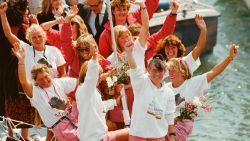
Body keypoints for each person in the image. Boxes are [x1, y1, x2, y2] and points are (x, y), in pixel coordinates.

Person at [0, 2, 67, 141]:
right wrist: (2, 14)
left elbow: (63, 74)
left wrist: (61, 90)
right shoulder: (26, 49)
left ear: (45, 36)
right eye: (34, 37)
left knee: (54, 117)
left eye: (39, 36)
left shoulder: (54, 51)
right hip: (34, 91)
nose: (37, 39)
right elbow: (8, 34)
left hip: (52, 89)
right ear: (29, 38)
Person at [165, 44, 238, 141]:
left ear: (183, 72)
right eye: (170, 70)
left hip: (180, 127)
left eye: (174, 70)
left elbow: (213, 72)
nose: (171, 73)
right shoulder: (165, 88)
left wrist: (229, 58)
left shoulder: (192, 83)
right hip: (167, 125)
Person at [11, 42, 79, 141]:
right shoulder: (36, 93)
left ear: (50, 74)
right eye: (40, 79)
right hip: (61, 130)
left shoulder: (59, 82)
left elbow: (80, 83)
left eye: (46, 77)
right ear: (36, 82)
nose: (45, 81)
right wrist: (21, 61)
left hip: (73, 121)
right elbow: (23, 81)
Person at [104, 0, 149, 130]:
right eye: (122, 37)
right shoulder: (111, 59)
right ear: (116, 40)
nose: (127, 39)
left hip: (140, 92)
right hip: (124, 97)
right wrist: (115, 87)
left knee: (142, 124)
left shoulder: (138, 48)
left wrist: (143, 6)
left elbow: (145, 27)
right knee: (122, 126)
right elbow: (109, 85)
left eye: (127, 36)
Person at [75, 35, 129, 141]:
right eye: (97, 75)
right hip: (95, 137)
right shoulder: (85, 88)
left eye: (100, 74)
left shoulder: (89, 91)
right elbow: (91, 76)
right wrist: (95, 58)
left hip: (96, 135)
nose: (100, 77)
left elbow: (100, 107)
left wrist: (114, 102)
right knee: (132, 132)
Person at [124, 36, 176, 140]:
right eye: (154, 70)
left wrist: (172, 136)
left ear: (164, 71)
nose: (157, 74)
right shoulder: (141, 82)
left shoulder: (169, 93)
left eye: (160, 70)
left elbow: (170, 116)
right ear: (148, 70)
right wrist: (129, 53)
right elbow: (134, 68)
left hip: (158, 137)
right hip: (138, 136)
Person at [0, 1, 35, 141]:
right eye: (26, 13)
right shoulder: (19, 29)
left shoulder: (24, 30)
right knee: (15, 99)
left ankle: (15, 135)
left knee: (16, 100)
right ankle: (16, 135)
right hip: (13, 67)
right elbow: (8, 33)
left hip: (15, 67)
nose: (28, 15)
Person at [128, 0, 179, 67]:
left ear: (147, 35)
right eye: (135, 39)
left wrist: (173, 13)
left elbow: (165, 32)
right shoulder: (127, 53)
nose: (139, 41)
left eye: (141, 38)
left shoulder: (151, 42)